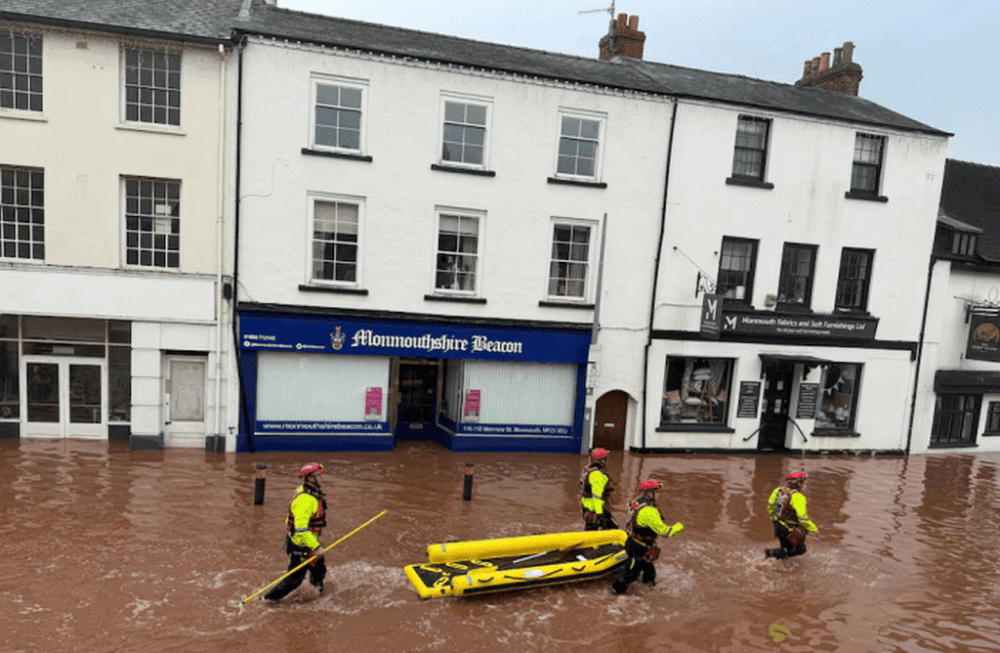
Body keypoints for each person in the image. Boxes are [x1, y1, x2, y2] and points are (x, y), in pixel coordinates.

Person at [264, 462, 329, 601]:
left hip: (309, 542)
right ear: (310, 478)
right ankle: (268, 600)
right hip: (301, 545)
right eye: (318, 475)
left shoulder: (308, 491)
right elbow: (301, 528)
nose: (322, 477)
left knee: (319, 571)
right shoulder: (305, 500)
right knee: (294, 580)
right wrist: (316, 547)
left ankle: (316, 595)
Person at [610, 479, 683, 595]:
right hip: (639, 547)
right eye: (657, 491)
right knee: (630, 573)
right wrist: (679, 527)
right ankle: (614, 593)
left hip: (634, 542)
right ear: (650, 492)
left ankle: (649, 588)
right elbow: (665, 532)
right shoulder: (649, 511)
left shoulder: (637, 503)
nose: (659, 494)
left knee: (649, 570)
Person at [765, 470, 818, 560]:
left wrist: (774, 519)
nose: (803, 484)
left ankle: (780, 563)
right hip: (789, 529)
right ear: (797, 483)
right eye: (802, 482)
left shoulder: (778, 490)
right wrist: (814, 529)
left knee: (786, 548)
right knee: (800, 549)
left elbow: (770, 505)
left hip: (778, 525)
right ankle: (769, 553)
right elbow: (803, 518)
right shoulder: (798, 497)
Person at [580, 447, 618, 531]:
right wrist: (600, 515)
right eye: (605, 459)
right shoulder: (597, 475)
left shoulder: (587, 470)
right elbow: (597, 496)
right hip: (595, 509)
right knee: (614, 529)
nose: (607, 461)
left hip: (587, 506)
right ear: (601, 461)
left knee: (590, 529)